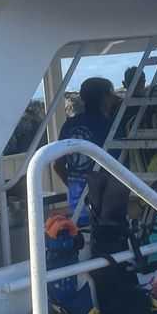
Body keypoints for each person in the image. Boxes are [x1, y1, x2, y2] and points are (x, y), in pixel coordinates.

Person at [54, 77, 120, 228]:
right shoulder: (111, 128)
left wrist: (76, 189)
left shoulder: (68, 125)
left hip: (78, 208)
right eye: (112, 93)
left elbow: (58, 166)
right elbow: (119, 172)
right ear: (105, 96)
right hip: (104, 212)